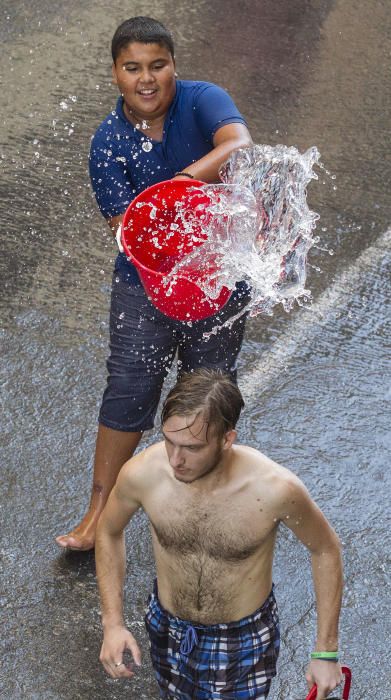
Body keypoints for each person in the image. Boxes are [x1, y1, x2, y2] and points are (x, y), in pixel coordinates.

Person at [56, 16, 253, 551]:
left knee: (207, 386)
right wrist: (166, 218)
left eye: (158, 65)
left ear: (174, 66)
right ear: (116, 74)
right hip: (146, 284)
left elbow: (238, 144)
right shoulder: (108, 144)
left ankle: (202, 506)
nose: (147, 79)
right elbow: (128, 233)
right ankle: (100, 511)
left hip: (217, 273)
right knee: (129, 388)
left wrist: (183, 182)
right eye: (133, 68)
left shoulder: (202, 99)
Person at [95, 369, 344, 700]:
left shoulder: (274, 489)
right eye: (169, 441)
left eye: (192, 447)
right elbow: (109, 531)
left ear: (227, 439)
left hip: (241, 639)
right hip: (167, 627)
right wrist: (113, 623)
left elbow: (325, 549)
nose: (176, 459)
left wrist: (325, 652)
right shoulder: (144, 474)